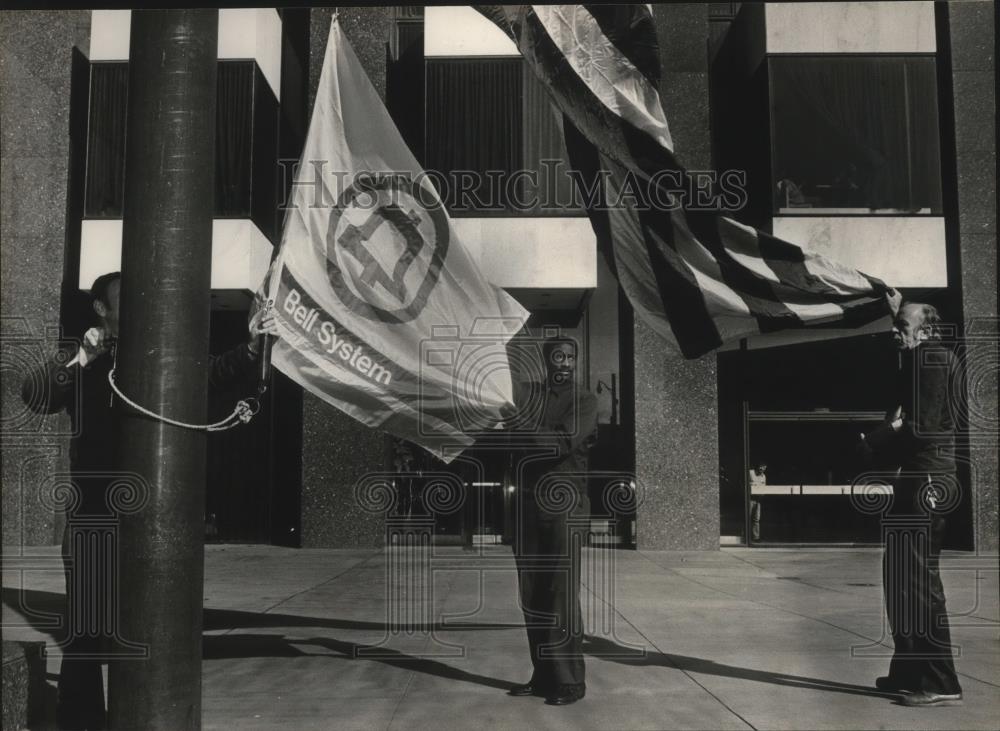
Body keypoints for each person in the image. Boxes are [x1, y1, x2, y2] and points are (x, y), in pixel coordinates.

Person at [20, 271, 278, 730]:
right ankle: (80, 721)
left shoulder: (158, 355)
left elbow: (212, 374)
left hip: (153, 519)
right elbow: (37, 394)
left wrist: (253, 349)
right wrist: (84, 356)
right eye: (126, 300)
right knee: (87, 631)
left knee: (150, 630)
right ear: (101, 309)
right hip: (94, 518)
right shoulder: (86, 357)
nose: (139, 308)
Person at [861, 301, 963, 707]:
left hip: (929, 480)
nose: (894, 330)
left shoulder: (931, 357)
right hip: (921, 477)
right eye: (895, 323)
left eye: (902, 324)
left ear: (927, 330)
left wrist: (879, 438)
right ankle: (908, 671)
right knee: (900, 576)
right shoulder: (920, 358)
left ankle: (941, 681)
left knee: (919, 581)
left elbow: (921, 427)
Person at [504, 336, 598, 706]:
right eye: (557, 356)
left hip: (565, 508)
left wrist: (521, 426)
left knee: (560, 595)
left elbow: (559, 444)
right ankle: (543, 676)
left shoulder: (585, 400)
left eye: (569, 357)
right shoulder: (530, 396)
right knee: (532, 597)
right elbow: (504, 389)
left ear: (575, 361)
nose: (563, 362)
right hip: (527, 509)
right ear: (547, 361)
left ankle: (570, 682)